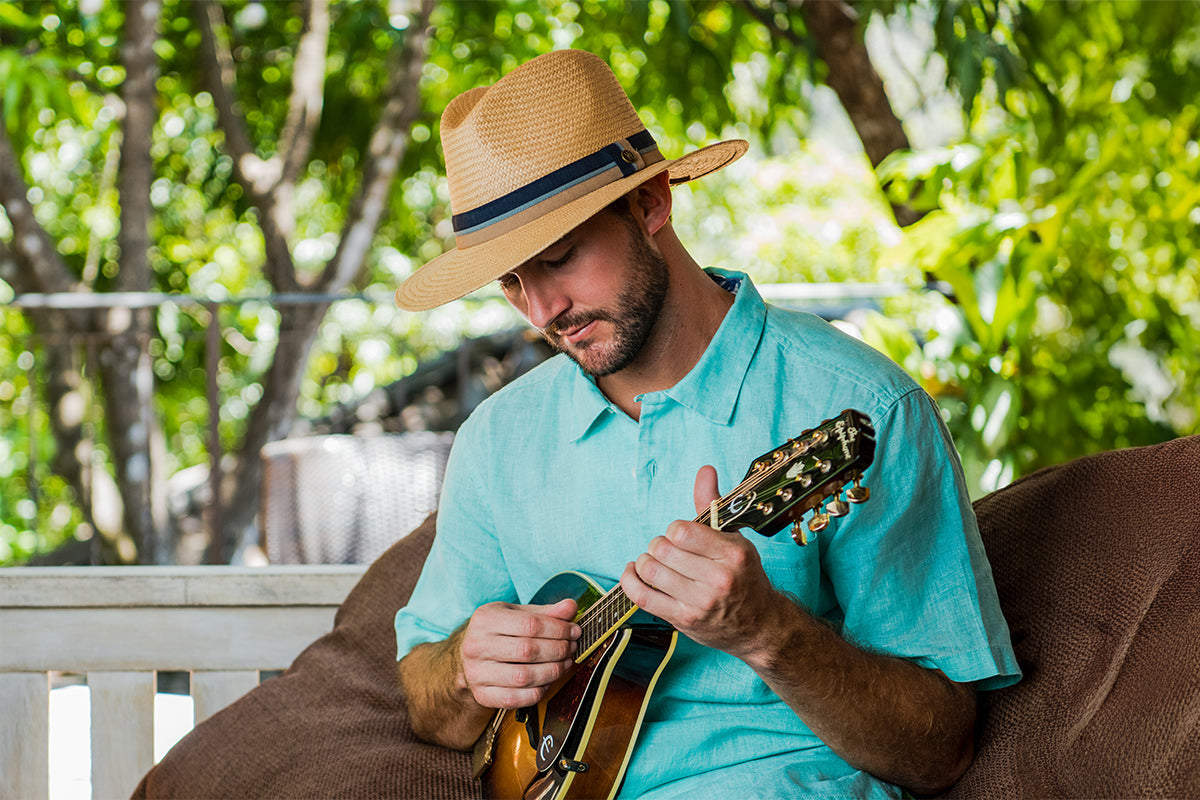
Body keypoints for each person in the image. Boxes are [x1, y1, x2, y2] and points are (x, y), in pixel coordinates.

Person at [393, 49, 1020, 799]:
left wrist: (769, 632)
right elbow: (423, 686)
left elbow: (942, 748)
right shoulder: (498, 440)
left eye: (559, 258)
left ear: (652, 203)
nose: (540, 314)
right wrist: (465, 667)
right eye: (513, 282)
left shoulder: (860, 408)